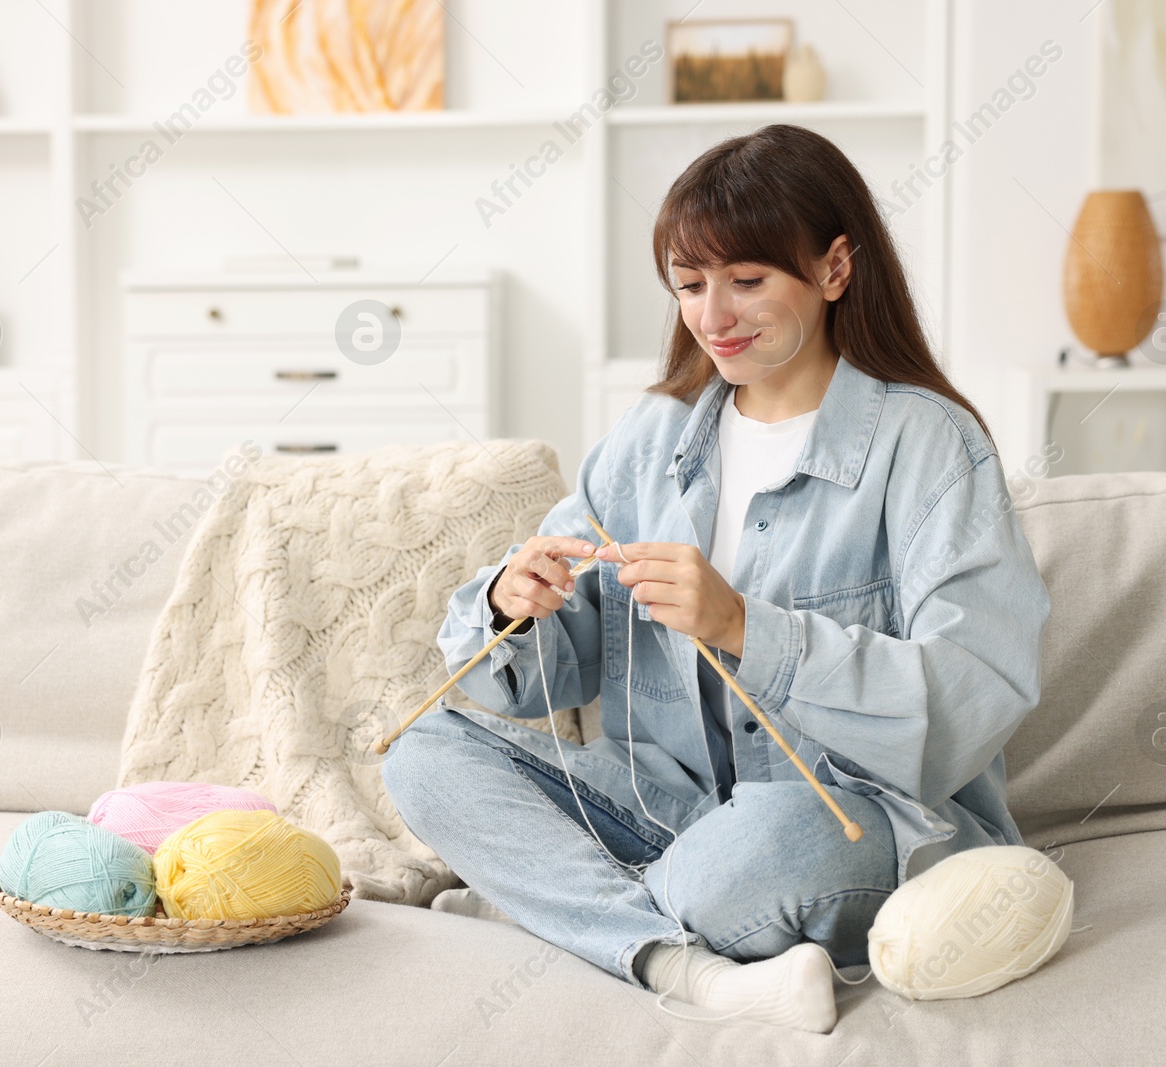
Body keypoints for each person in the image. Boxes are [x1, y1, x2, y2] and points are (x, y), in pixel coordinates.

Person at [381, 123, 1052, 1034]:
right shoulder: (651, 440)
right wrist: (515, 605)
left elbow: (972, 697)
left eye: (747, 280)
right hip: (663, 806)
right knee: (425, 750)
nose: (713, 315)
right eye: (691, 286)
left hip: (855, 826)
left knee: (743, 860)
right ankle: (686, 966)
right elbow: (550, 678)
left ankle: (555, 913)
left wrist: (746, 626)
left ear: (834, 267)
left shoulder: (931, 447)